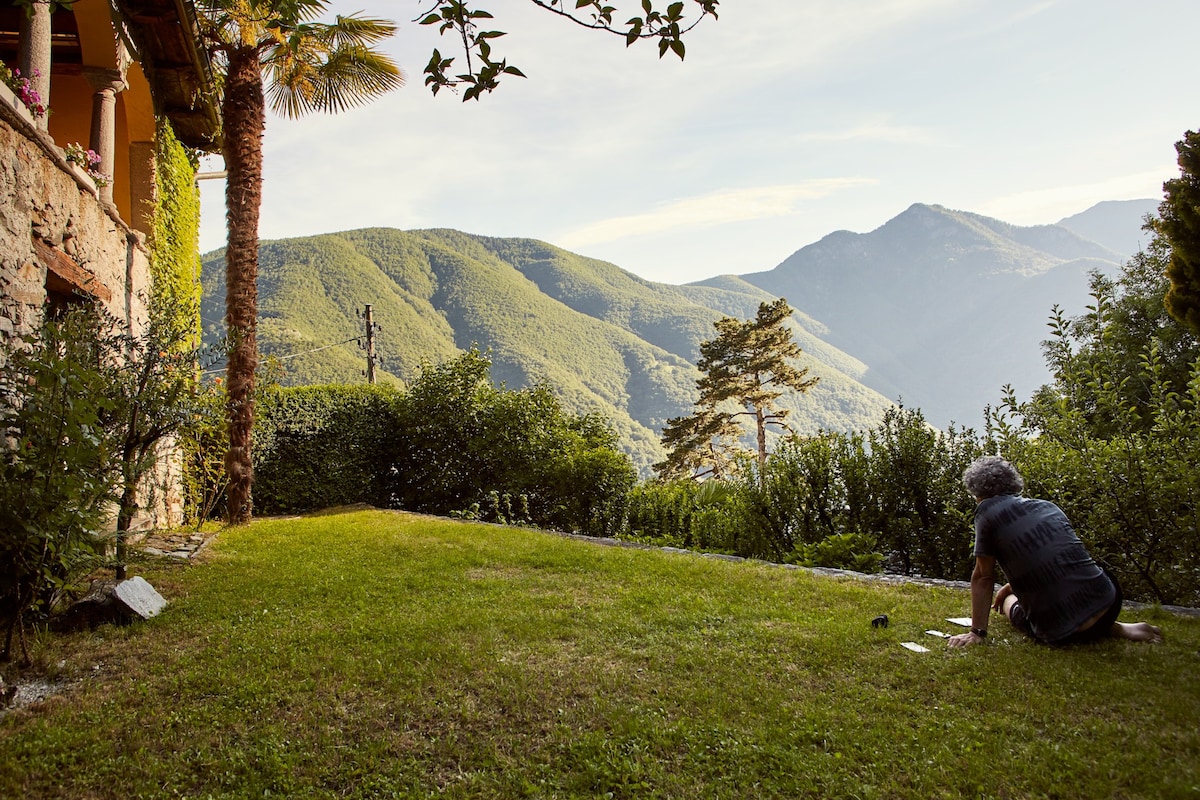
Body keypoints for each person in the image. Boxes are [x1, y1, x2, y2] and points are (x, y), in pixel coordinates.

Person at [947, 455, 1162, 648]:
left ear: (978, 493)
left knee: (1006, 603)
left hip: (1060, 630)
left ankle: (1096, 627)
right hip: (1108, 601)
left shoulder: (987, 511)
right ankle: (1116, 627)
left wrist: (977, 632)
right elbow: (1058, 559)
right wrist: (1012, 586)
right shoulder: (1048, 506)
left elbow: (983, 576)